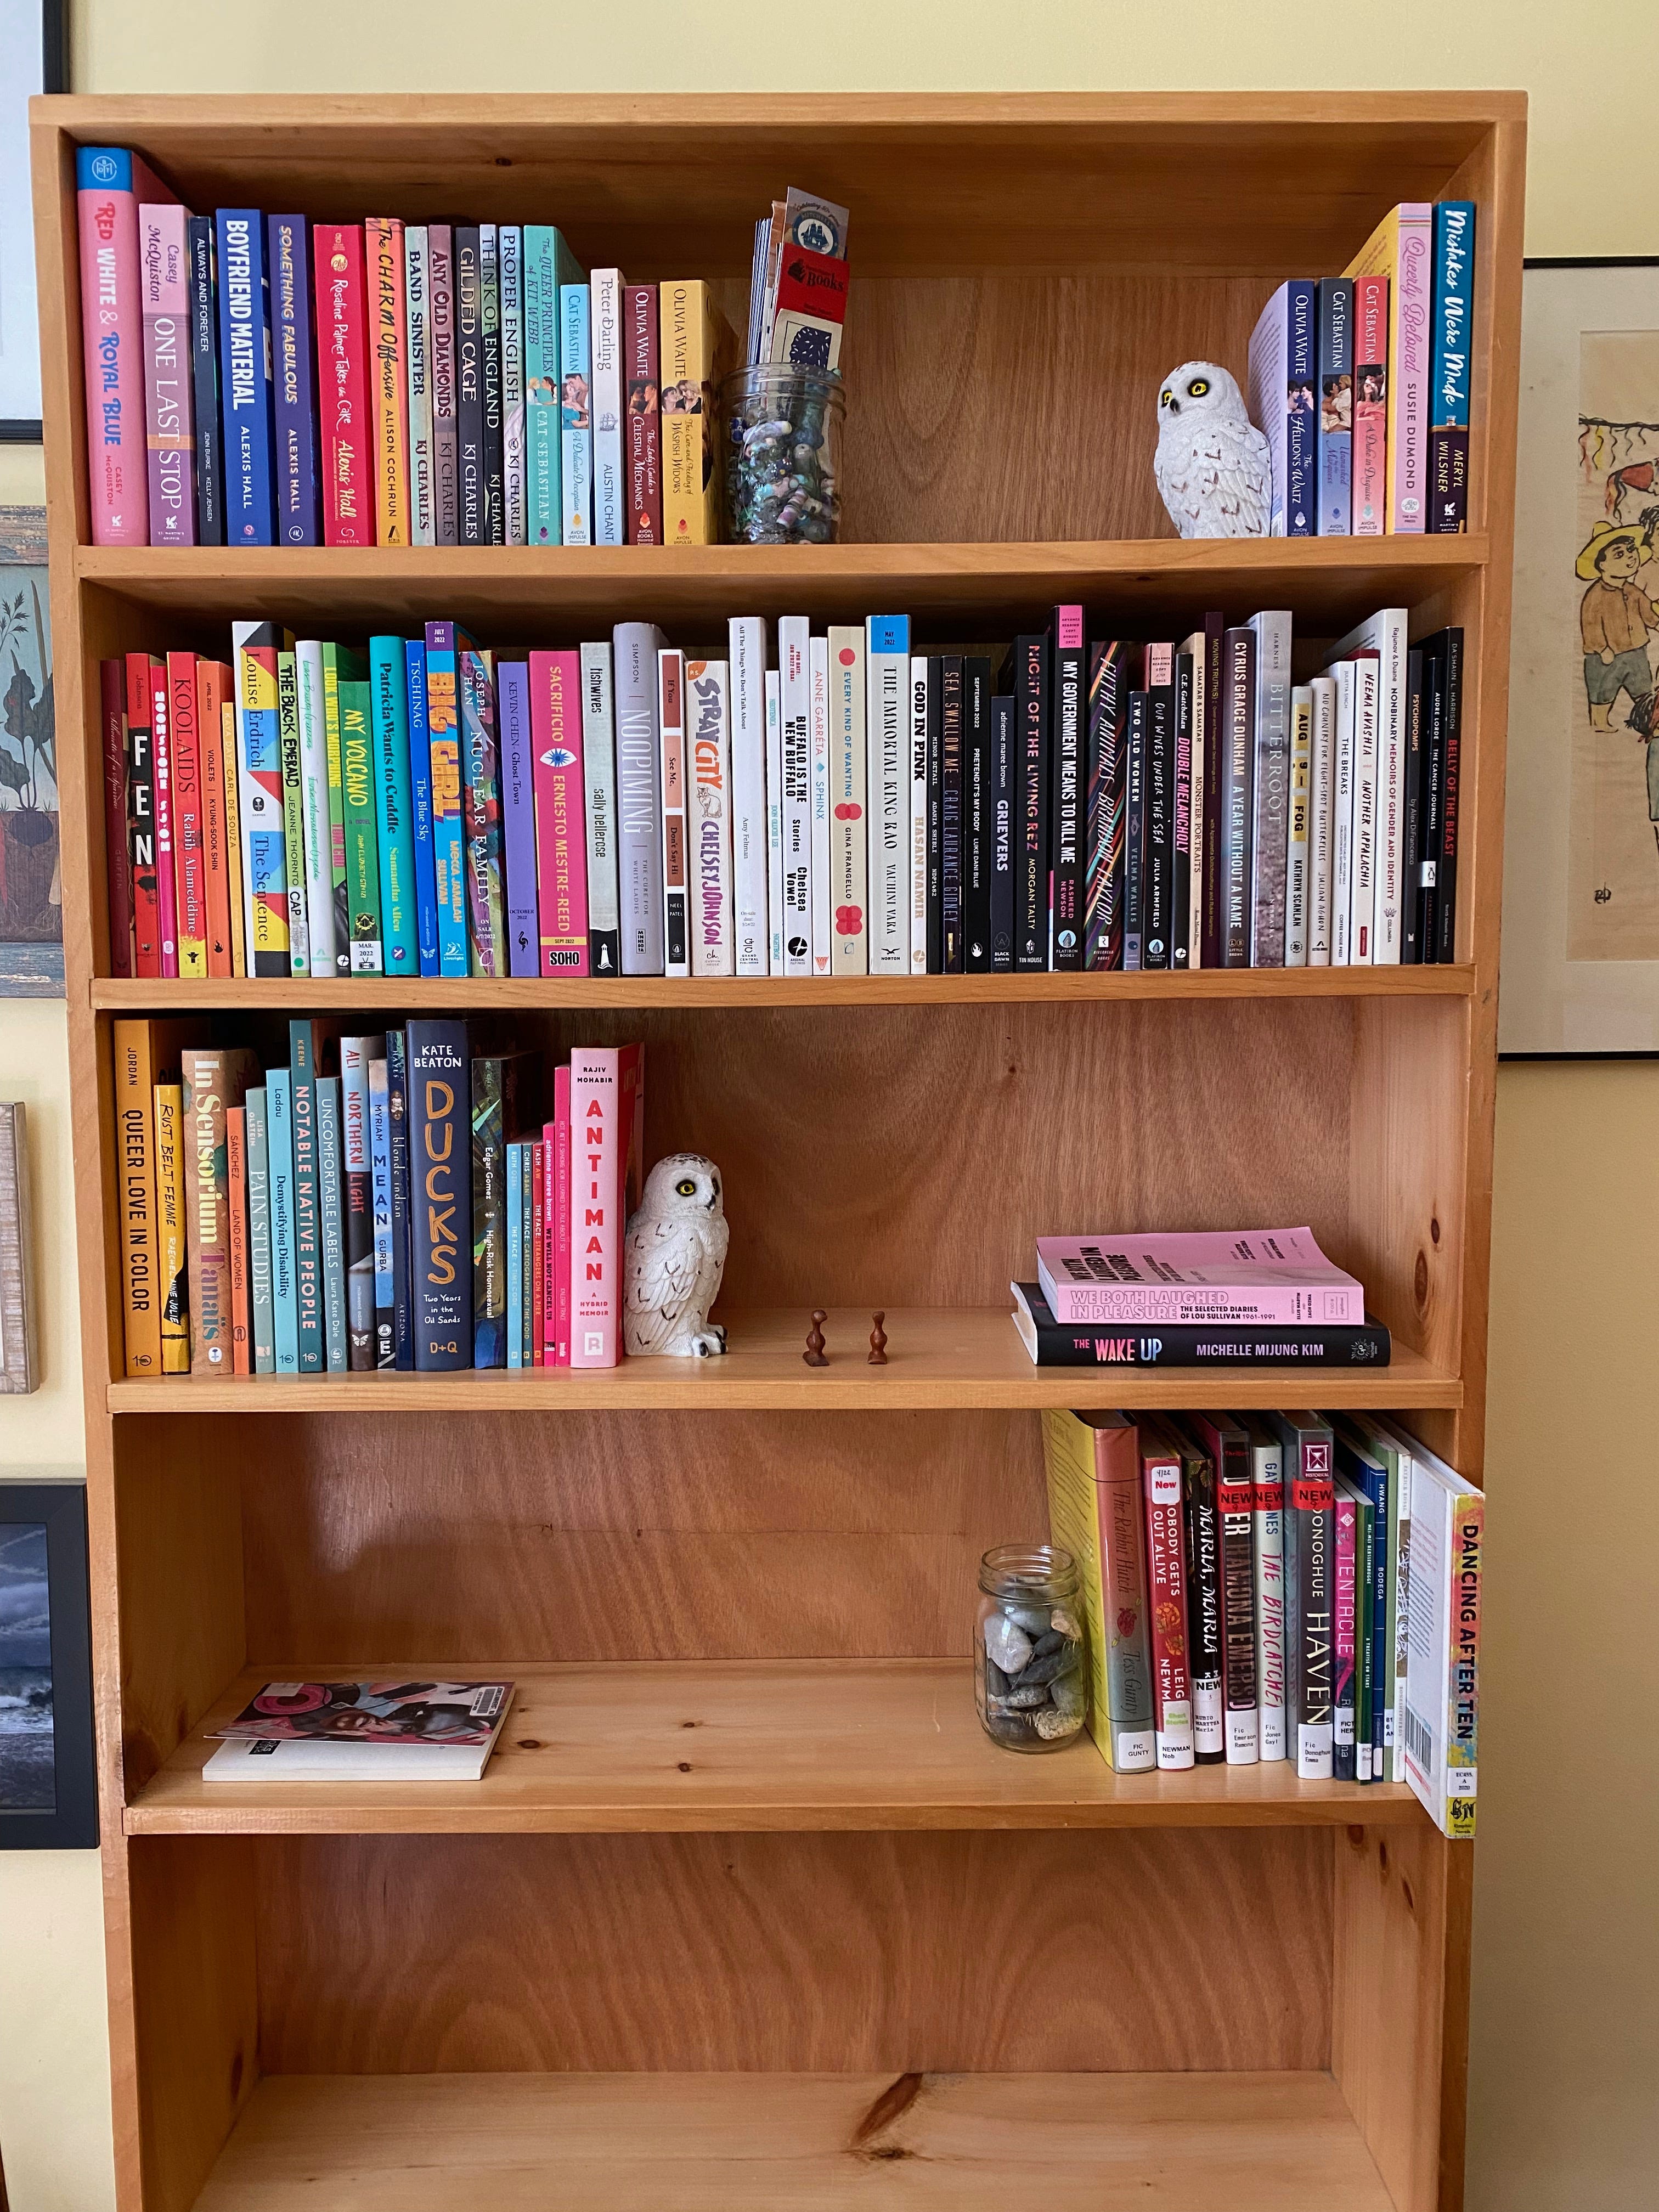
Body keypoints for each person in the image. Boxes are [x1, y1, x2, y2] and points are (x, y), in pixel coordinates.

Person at [1577, 520, 1657, 733]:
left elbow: (1649, 614)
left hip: (1636, 651)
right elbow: (1591, 625)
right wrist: (1602, 649)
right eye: (1619, 554)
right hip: (1606, 657)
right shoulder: (1595, 596)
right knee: (1602, 692)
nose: (1630, 557)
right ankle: (1599, 723)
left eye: (1631, 550)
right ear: (1602, 564)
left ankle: (1648, 721)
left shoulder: (1633, 592)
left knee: (1643, 689)